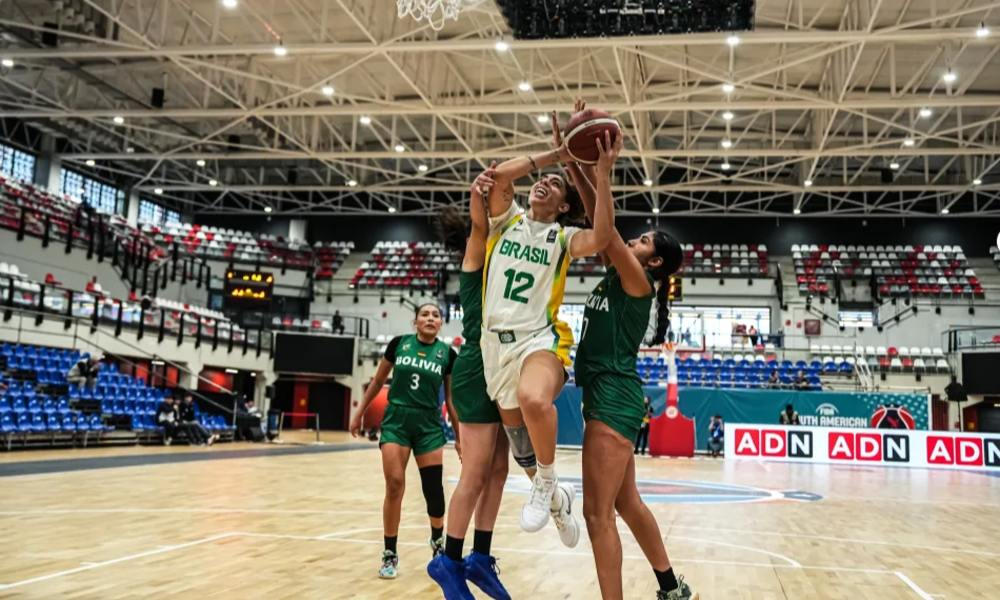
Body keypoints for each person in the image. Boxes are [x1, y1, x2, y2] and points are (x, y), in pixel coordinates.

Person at [566, 101, 696, 600]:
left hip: (612, 398)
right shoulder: (621, 275)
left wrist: (603, 171)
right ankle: (671, 588)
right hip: (613, 395)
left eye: (644, 241)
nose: (633, 242)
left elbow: (609, 231)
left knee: (597, 514)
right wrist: (574, 162)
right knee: (626, 503)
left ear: (655, 259)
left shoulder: (637, 280)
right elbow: (603, 228)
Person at [481, 106, 615, 542]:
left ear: (562, 207)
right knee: (523, 450)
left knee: (534, 400)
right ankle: (556, 497)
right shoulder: (506, 223)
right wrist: (554, 155)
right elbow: (501, 178)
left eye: (555, 185)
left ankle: (545, 483)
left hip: (540, 339)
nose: (545, 183)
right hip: (494, 347)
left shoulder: (560, 239)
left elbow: (602, 237)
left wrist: (601, 175)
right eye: (543, 180)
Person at [429, 166, 531, 600]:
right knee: (475, 469)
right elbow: (480, 221)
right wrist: (483, 192)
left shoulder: (514, 257)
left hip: (505, 363)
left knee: (500, 469)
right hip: (476, 363)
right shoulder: (478, 254)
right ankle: (448, 561)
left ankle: (480, 558)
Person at [349, 304, 460, 580]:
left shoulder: (447, 354)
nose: (430, 318)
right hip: (396, 421)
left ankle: (437, 543)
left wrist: (459, 437)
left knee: (433, 490)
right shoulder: (399, 345)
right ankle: (389, 553)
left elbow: (451, 399)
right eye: (425, 314)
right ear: (415, 322)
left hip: (428, 426)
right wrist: (358, 413)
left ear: (441, 325)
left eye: (436, 315)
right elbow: (377, 381)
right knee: (395, 484)